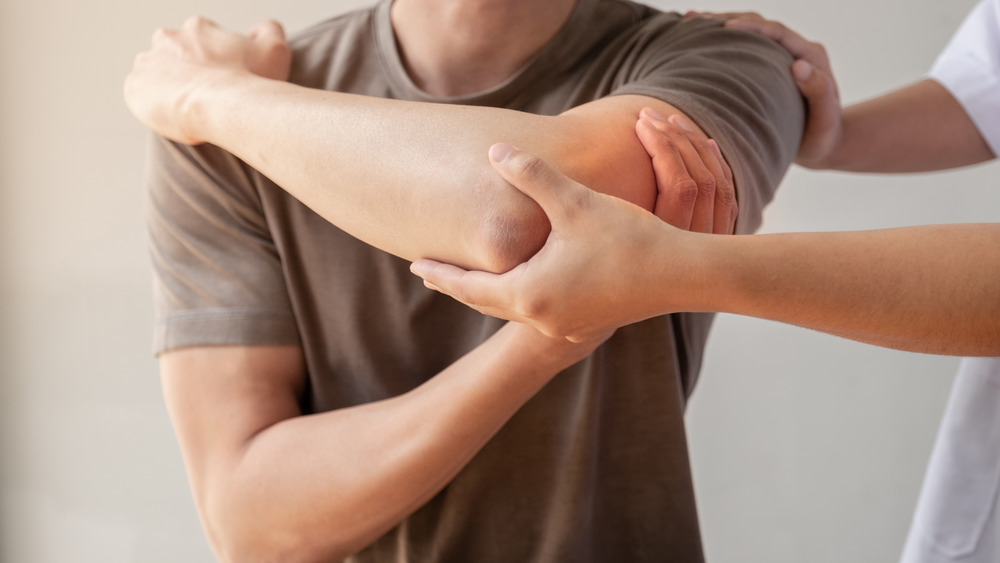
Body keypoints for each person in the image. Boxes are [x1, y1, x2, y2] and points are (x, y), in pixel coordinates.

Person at [123, 0, 803, 560]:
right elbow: (252, 521)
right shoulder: (225, 128)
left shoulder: (724, 61)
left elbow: (512, 213)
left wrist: (216, 97)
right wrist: (541, 342)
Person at [410, 2, 1000, 562]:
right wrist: (837, 136)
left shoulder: (688, 54)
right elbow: (986, 89)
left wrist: (687, 268)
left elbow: (510, 213)